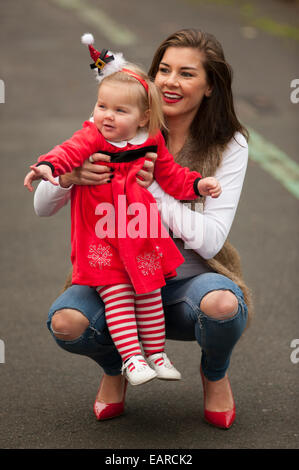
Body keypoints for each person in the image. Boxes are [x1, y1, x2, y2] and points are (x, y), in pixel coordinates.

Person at [33, 29, 253, 428]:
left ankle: (214, 374)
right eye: (163, 70)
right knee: (67, 323)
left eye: (187, 74)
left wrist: (151, 189)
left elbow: (210, 238)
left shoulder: (229, 144)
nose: (170, 81)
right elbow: (41, 207)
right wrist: (70, 178)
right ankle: (116, 366)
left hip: (186, 281)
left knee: (223, 307)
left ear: (209, 87)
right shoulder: (117, 121)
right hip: (113, 273)